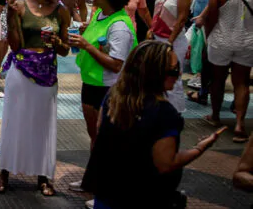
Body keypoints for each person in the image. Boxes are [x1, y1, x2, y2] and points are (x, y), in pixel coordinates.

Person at [81, 40, 224, 208]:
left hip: (108, 193)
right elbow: (165, 164)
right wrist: (199, 148)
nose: (178, 75)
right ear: (153, 73)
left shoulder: (114, 97)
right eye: (173, 70)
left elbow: (101, 133)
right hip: (145, 198)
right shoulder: (164, 113)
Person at [0, 0, 74, 196]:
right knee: (13, 122)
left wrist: (57, 40)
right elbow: (16, 47)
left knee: (44, 125)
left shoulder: (62, 13)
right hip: (20, 73)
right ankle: (4, 173)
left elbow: (65, 50)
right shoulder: (19, 7)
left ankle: (43, 176)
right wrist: (11, 17)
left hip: (47, 76)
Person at [69, 0, 137, 157]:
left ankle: (101, 182)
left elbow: (116, 65)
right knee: (95, 137)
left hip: (108, 89)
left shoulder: (120, 26)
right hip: (91, 84)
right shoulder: (101, 15)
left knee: (105, 139)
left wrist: (86, 45)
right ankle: (94, 179)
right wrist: (86, 31)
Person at [203, 0, 253, 143]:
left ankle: (215, 116)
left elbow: (211, 19)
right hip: (247, 42)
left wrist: (209, 37)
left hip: (222, 40)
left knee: (218, 79)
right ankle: (240, 124)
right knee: (242, 83)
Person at [150, 0, 191, 114]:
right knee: (160, 78)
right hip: (159, 38)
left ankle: (176, 114)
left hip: (172, 41)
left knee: (174, 78)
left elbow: (182, 18)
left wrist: (170, 41)